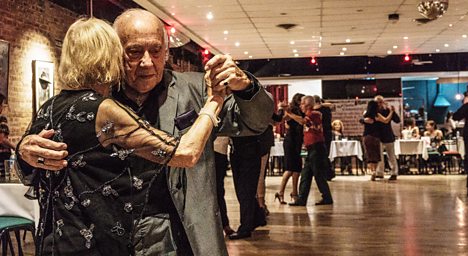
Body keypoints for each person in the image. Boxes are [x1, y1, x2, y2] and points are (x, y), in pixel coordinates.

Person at [16, 9, 274, 256]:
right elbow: (31, 161)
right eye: (135, 51)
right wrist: (24, 153)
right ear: (116, 52)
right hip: (108, 237)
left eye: (156, 50)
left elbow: (255, 122)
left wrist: (246, 87)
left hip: (180, 230)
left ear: (167, 51)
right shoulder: (94, 100)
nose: (147, 61)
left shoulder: (194, 89)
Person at [287, 95, 333, 206]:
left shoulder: (314, 114)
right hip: (311, 149)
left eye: (302, 103)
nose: (300, 106)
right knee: (306, 174)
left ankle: (327, 197)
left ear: (307, 105)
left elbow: (303, 121)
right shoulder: (310, 114)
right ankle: (302, 199)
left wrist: (290, 114)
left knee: (318, 174)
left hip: (317, 148)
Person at [275, 93, 304, 204]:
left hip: (297, 141)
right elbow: (282, 120)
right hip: (290, 141)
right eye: (301, 101)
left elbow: (302, 120)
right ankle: (281, 192)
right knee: (290, 168)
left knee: (297, 169)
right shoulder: (291, 110)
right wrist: (284, 110)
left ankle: (294, 193)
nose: (303, 103)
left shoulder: (299, 111)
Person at [361, 100, 393, 181]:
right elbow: (386, 120)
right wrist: (391, 112)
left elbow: (361, 120)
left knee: (370, 154)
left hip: (366, 136)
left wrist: (363, 120)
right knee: (376, 154)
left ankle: (372, 171)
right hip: (375, 136)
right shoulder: (377, 115)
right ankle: (374, 171)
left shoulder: (366, 114)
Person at [374, 96, 400, 181]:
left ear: (383, 102)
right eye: (377, 102)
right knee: (379, 156)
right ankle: (380, 173)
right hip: (378, 135)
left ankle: (394, 173)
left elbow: (397, 120)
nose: (379, 104)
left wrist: (393, 111)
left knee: (391, 155)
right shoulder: (374, 112)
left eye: (380, 102)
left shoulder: (387, 110)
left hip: (388, 135)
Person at [213, 136, 234, 236]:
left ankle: (224, 223)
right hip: (214, 149)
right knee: (217, 190)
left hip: (219, 149)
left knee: (218, 190)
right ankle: (223, 224)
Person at [314, 95, 334, 180]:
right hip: (327, 133)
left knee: (321, 154)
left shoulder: (315, 111)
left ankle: (327, 173)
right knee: (324, 154)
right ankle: (328, 173)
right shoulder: (326, 109)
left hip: (320, 134)